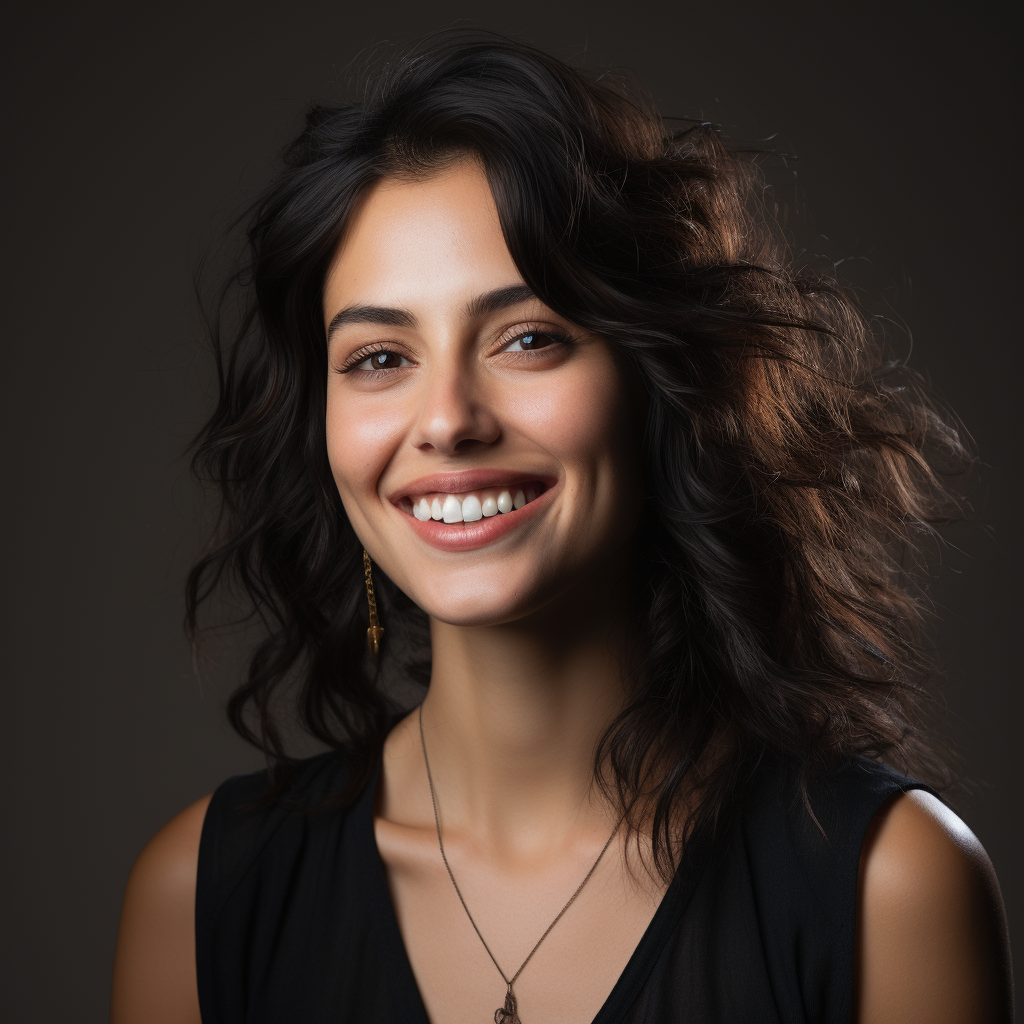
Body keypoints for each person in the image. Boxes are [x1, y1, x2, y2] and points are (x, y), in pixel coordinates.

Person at [110, 31, 1013, 1024]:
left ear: (654, 380)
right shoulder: (201, 896)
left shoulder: (889, 886)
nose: (448, 419)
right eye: (378, 357)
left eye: (528, 337)